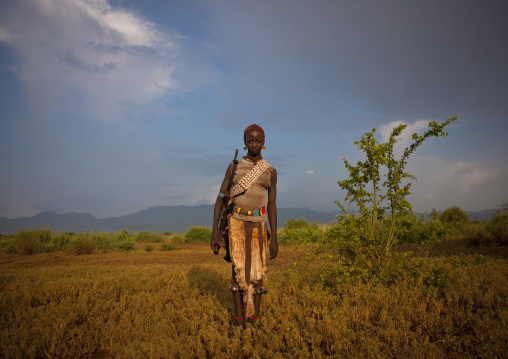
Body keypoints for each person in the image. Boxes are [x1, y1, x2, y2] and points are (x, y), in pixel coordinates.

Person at [210, 124, 278, 327]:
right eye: (250, 141)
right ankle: (239, 319)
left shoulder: (270, 171)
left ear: (264, 143)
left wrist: (274, 238)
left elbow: (272, 205)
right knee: (238, 271)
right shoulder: (234, 167)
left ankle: (253, 317)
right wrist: (215, 231)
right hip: (236, 223)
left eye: (258, 141)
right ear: (244, 142)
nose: (254, 144)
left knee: (257, 274)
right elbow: (221, 197)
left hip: (259, 225)